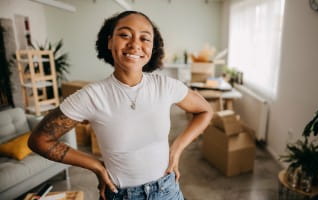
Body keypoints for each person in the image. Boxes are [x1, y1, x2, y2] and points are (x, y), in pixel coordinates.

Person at [28, 10, 213, 200]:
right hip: (120, 195)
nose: (134, 44)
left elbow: (205, 110)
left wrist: (177, 148)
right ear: (109, 41)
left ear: (152, 47)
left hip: (167, 190)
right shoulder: (91, 96)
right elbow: (39, 140)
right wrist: (96, 166)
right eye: (125, 35)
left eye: (145, 38)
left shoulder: (165, 86)